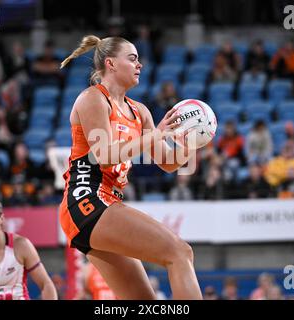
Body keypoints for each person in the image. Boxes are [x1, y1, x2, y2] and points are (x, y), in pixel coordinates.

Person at [58, 35, 202, 300]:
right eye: (133, 58)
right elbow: (103, 156)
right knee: (180, 253)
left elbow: (169, 163)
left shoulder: (140, 111)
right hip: (86, 199)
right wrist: (153, 136)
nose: (140, 65)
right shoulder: (93, 98)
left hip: (104, 203)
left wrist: (191, 142)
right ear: (111, 64)